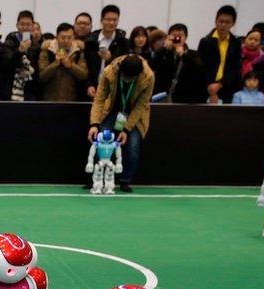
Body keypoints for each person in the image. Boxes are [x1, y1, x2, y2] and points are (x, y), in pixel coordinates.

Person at [88, 55, 154, 192]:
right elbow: (99, 98)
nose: (127, 80)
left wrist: (126, 129)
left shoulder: (148, 77)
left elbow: (141, 105)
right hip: (112, 110)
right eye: (125, 77)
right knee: (101, 140)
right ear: (120, 71)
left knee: (133, 146)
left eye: (131, 78)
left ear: (138, 74)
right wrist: (94, 124)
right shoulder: (109, 72)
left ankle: (125, 181)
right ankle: (96, 179)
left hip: (135, 114)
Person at [149, 24, 206, 103]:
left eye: (180, 36)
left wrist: (184, 55)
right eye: (174, 36)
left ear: (185, 37)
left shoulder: (193, 54)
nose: (177, 38)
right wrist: (164, 49)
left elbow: (199, 71)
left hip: (183, 98)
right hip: (162, 96)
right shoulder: (164, 53)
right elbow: (151, 66)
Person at [198, 5, 241, 104]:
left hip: (226, 88)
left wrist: (220, 84)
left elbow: (235, 68)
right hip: (206, 88)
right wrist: (210, 85)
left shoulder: (236, 43)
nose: (223, 25)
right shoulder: (205, 41)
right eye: (220, 21)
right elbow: (201, 66)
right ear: (216, 21)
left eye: (227, 22)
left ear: (233, 23)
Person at [84, 4, 129, 98]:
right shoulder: (90, 41)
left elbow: (126, 67)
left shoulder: (123, 42)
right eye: (108, 19)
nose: (112, 23)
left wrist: (110, 59)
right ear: (101, 20)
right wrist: (88, 85)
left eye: (115, 20)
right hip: (94, 88)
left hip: (115, 89)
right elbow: (86, 66)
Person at [38, 23, 87, 102]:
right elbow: (42, 77)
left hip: (73, 101)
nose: (66, 41)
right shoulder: (47, 50)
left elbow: (84, 75)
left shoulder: (78, 51)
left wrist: (71, 66)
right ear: (57, 37)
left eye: (69, 37)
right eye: (63, 38)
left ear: (73, 37)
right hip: (49, 100)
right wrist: (55, 64)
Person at [2, 11, 42, 101]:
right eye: (22, 24)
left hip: (29, 91)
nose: (25, 27)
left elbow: (37, 69)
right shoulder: (9, 42)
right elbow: (6, 65)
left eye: (28, 24)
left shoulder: (36, 46)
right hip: (11, 90)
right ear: (17, 25)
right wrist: (20, 51)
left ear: (32, 26)